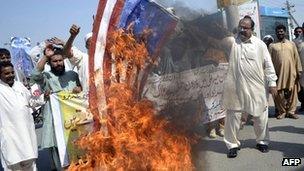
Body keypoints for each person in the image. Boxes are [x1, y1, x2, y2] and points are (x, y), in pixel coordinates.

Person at [222, 16, 278, 158]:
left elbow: (268, 65)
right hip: (235, 86)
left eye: (245, 28)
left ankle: (262, 141)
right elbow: (218, 41)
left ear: (252, 29)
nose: (242, 30)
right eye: (240, 27)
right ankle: (232, 144)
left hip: (257, 86)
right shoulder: (232, 42)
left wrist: (272, 83)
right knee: (233, 116)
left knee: (260, 115)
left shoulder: (260, 44)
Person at [30, 45, 82, 170]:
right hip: (55, 122)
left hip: (73, 121)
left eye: (60, 60)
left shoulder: (73, 75)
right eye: (54, 61)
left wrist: (79, 89)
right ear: (49, 63)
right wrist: (45, 56)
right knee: (60, 155)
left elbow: (82, 91)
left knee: (79, 153)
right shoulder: (47, 77)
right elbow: (35, 75)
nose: (58, 63)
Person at [0, 61, 39, 171]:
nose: (11, 75)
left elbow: (32, 102)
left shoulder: (19, 85)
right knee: (13, 166)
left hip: (27, 135)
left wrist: (42, 97)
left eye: (12, 72)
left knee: (31, 165)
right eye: (6, 73)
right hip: (10, 138)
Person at [269, 24, 302, 119]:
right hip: (278, 73)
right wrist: (270, 74)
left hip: (291, 73)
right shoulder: (272, 46)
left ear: (285, 32)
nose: (280, 33)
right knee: (278, 93)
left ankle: (291, 111)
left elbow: (296, 58)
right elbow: (269, 60)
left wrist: (299, 70)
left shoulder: (291, 44)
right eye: (278, 32)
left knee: (293, 92)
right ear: (276, 33)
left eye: (282, 31)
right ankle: (282, 111)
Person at [63, 24, 91, 93]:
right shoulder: (82, 57)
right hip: (87, 99)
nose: (94, 44)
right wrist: (72, 36)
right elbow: (67, 53)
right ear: (86, 46)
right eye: (90, 43)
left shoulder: (106, 59)